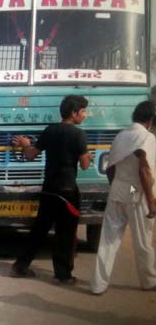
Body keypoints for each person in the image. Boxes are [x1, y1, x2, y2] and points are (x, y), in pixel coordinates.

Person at [10, 95, 91, 284]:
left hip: (49, 189)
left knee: (39, 229)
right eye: (83, 111)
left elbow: (31, 155)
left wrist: (25, 144)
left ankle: (20, 266)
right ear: (74, 113)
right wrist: (87, 155)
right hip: (68, 192)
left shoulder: (50, 130)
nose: (85, 115)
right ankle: (63, 275)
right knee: (66, 233)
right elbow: (85, 165)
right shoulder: (79, 135)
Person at [90, 101, 156, 294]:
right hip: (136, 192)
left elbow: (110, 168)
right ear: (150, 120)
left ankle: (98, 284)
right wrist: (151, 201)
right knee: (143, 241)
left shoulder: (120, 136)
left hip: (118, 189)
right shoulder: (147, 138)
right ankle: (149, 281)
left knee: (108, 240)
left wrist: (117, 187)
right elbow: (144, 170)